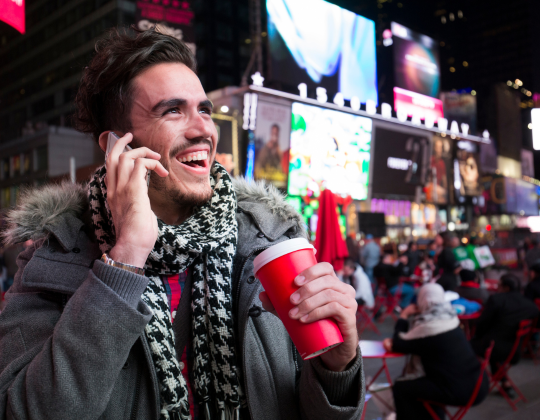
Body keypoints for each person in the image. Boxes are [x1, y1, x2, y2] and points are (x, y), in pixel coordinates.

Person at [0, 28, 364, 420]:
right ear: (116, 146)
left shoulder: (266, 243)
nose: (203, 129)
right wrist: (124, 260)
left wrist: (338, 367)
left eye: (204, 110)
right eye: (172, 110)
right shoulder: (55, 257)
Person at [383, 283, 489, 420]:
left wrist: (403, 315)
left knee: (401, 388)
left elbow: (398, 344)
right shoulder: (450, 317)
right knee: (427, 384)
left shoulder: (429, 327)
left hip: (461, 391)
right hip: (478, 384)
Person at [471, 274, 539, 398]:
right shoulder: (530, 306)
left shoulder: (497, 300)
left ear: (506, 287)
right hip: (516, 351)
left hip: (495, 349)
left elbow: (481, 324)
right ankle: (505, 383)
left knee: (470, 345)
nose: (497, 288)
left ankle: (471, 383)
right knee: (492, 345)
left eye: (499, 286)